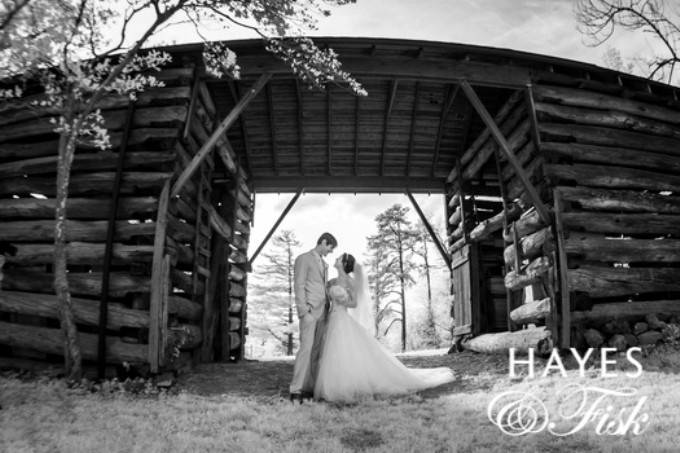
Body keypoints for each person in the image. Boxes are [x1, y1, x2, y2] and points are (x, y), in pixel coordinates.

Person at [314, 253, 455, 402]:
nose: (335, 259)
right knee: (333, 352)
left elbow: (354, 303)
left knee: (344, 350)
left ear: (343, 264)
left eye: (338, 258)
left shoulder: (351, 282)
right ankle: (335, 383)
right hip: (332, 319)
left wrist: (342, 300)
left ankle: (346, 386)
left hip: (343, 319)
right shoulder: (331, 282)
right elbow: (326, 302)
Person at [289, 232, 337, 403]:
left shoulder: (325, 264)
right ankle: (296, 390)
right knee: (306, 350)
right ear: (323, 242)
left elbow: (321, 286)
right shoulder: (303, 259)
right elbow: (299, 285)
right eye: (330, 248)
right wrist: (304, 311)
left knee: (317, 352)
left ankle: (310, 388)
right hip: (309, 312)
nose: (330, 252)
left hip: (323, 311)